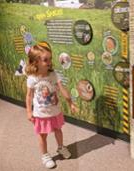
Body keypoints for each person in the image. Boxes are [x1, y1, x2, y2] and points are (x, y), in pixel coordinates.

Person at [25, 41, 78, 169]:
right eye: (45, 60)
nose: (49, 62)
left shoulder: (53, 75)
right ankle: (45, 155)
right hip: (40, 114)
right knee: (42, 135)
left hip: (55, 111)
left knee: (58, 130)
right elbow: (29, 96)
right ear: (36, 62)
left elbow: (63, 89)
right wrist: (28, 111)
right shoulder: (32, 78)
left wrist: (70, 102)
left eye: (50, 59)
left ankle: (61, 147)